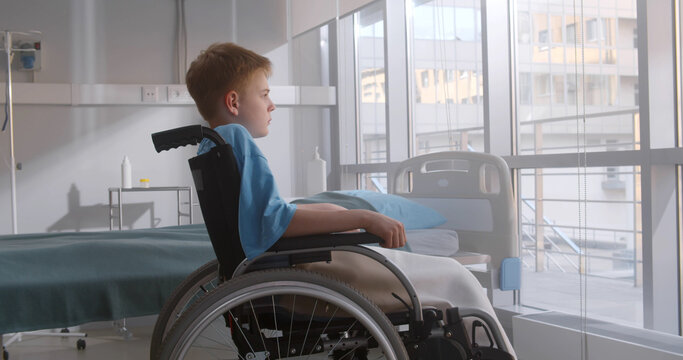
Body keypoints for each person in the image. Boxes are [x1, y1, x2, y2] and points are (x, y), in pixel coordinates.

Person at [186, 42, 515, 356]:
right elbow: (276, 222)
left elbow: (264, 217)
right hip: (301, 274)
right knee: (457, 277)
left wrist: (327, 210)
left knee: (446, 278)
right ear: (233, 102)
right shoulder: (239, 141)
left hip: (268, 272)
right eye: (264, 94)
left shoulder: (214, 145)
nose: (271, 105)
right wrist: (363, 218)